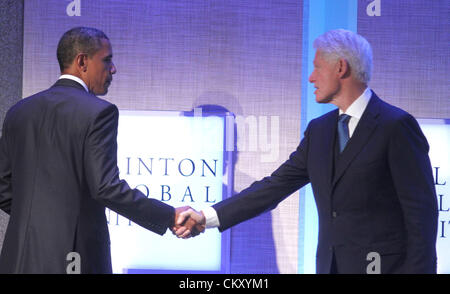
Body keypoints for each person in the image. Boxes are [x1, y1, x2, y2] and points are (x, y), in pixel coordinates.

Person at [174, 29, 439, 274]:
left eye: (317, 68)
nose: (311, 77)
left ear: (340, 67)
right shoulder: (319, 131)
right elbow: (274, 187)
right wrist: (205, 217)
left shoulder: (395, 126)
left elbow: (422, 215)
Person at [0, 27, 186, 273]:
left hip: (18, 258)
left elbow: (3, 188)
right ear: (82, 61)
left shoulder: (18, 112)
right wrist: (169, 216)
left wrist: (38, 221)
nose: (113, 69)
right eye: (107, 60)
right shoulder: (99, 112)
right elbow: (105, 187)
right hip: (73, 259)